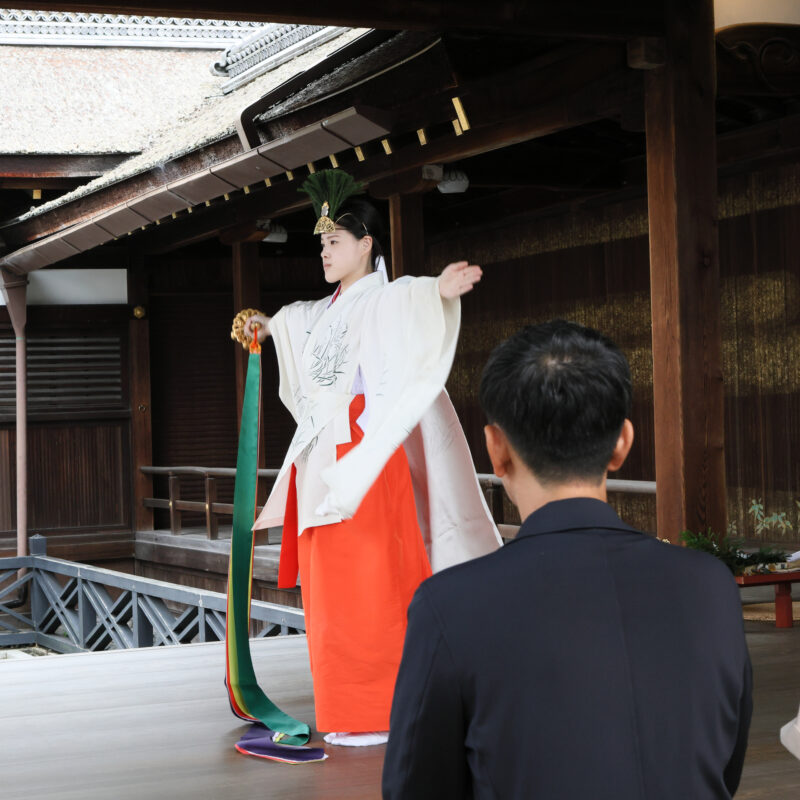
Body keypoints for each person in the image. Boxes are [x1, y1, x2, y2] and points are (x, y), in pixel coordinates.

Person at [383, 320, 752, 798]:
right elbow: (724, 766)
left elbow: (416, 787)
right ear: (622, 442)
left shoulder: (449, 604)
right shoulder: (710, 585)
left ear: (496, 449)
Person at [238, 171, 501, 748]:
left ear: (366, 245)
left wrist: (439, 290)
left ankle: (386, 706)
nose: (326, 251)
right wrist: (264, 326)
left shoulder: (383, 296)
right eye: (322, 242)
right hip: (320, 463)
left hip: (365, 460)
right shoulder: (324, 309)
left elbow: (408, 298)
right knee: (329, 594)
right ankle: (345, 705)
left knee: (378, 584)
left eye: (336, 241)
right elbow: (295, 321)